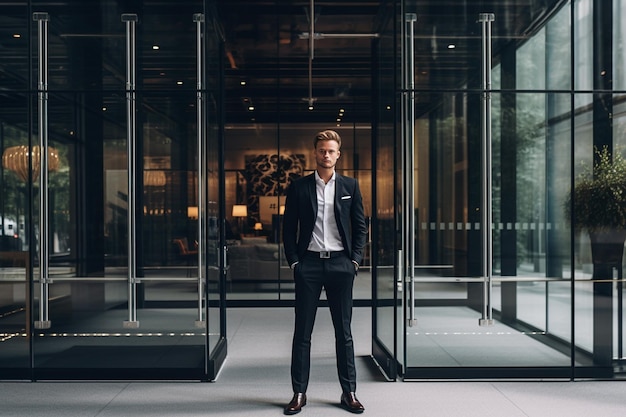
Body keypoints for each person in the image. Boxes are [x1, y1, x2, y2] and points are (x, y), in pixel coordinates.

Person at [282, 130, 367, 415]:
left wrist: (355, 261)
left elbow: (360, 227)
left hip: (341, 266)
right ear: (315, 153)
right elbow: (287, 228)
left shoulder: (350, 186)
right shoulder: (299, 187)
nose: (326, 155)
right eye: (322, 150)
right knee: (302, 332)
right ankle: (299, 393)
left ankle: (349, 392)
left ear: (338, 154)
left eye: (331, 151)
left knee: (344, 332)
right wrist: (295, 262)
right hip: (309, 265)